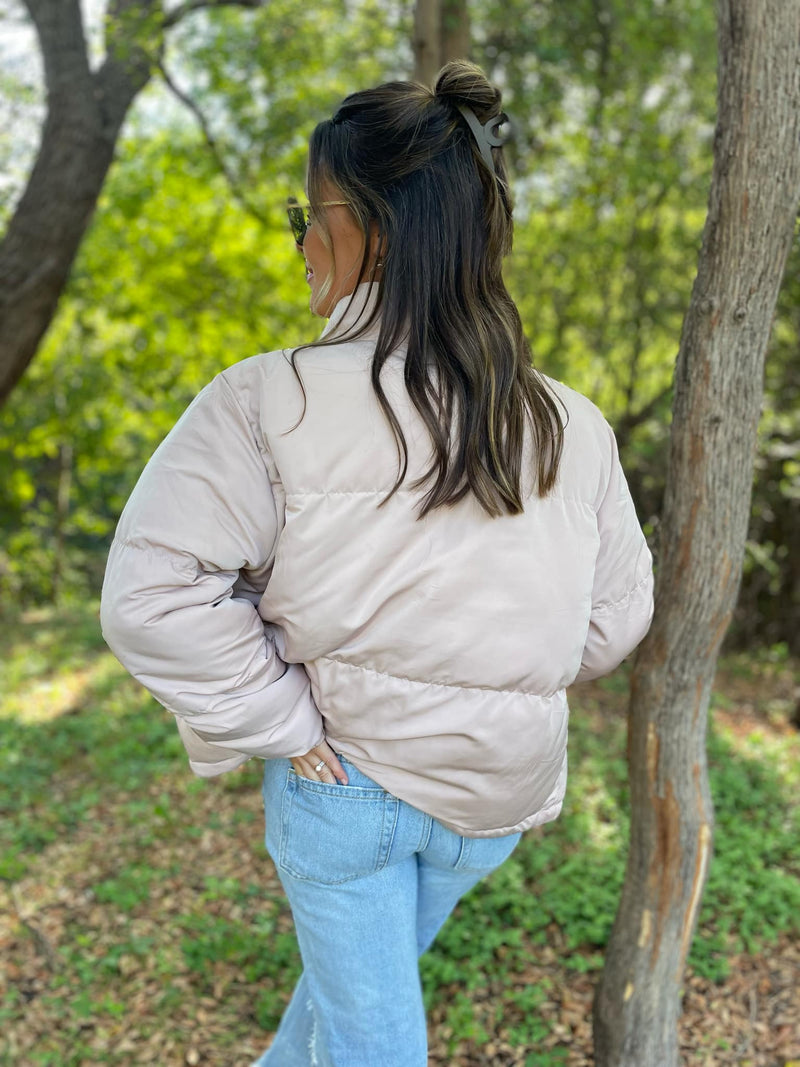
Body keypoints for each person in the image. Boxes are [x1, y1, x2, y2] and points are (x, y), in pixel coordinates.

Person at [100, 60, 654, 1067]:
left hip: (344, 784)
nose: (300, 239)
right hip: (492, 799)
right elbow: (613, 620)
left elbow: (149, 595)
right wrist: (492, 666)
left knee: (371, 1040)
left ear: (376, 232)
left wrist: (279, 716)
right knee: (345, 999)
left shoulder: (269, 400)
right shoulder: (570, 423)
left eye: (309, 213)